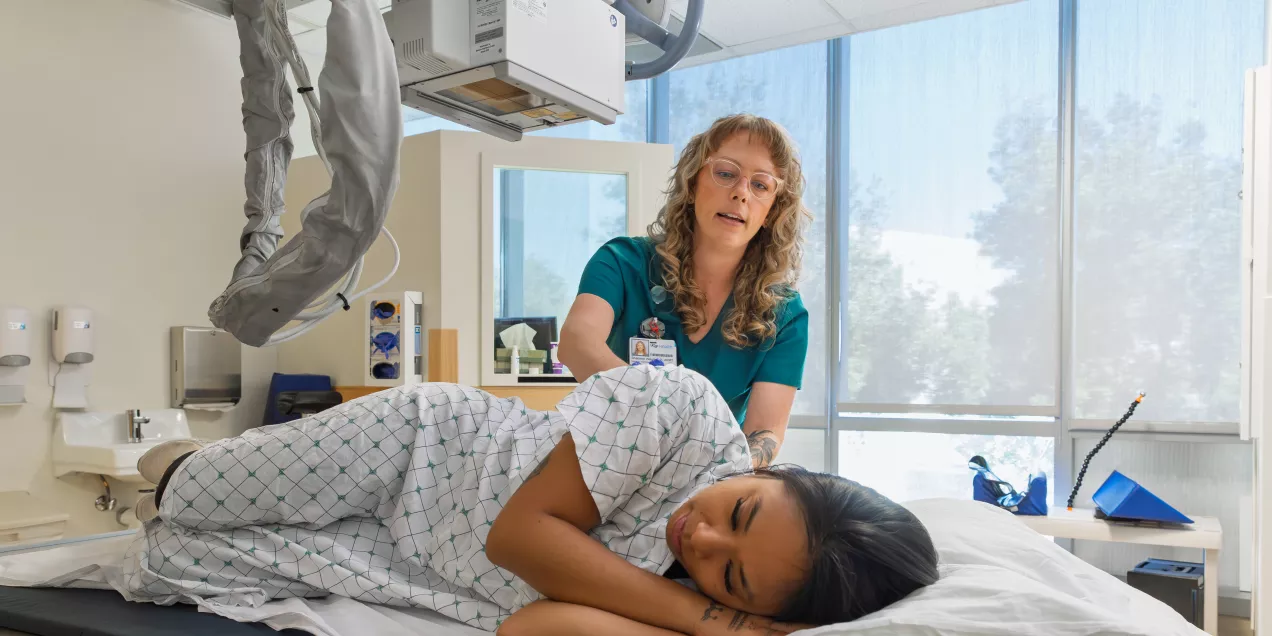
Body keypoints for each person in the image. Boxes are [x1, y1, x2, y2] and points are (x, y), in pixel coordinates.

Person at [124, 366, 938, 635]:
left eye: (733, 580)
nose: (702, 542)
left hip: (418, 564)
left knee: (169, 553)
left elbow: (532, 625)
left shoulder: (701, 599)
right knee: (189, 494)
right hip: (416, 457)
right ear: (774, 471)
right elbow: (521, 538)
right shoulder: (680, 407)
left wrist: (710, 620)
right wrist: (706, 615)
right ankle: (172, 457)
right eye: (740, 513)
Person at [559, 114, 812, 470]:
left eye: (761, 185)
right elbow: (576, 343)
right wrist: (667, 423)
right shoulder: (622, 262)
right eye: (725, 173)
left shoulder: (785, 316)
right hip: (600, 463)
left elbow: (764, 433)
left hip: (705, 477)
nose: (741, 192)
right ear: (692, 184)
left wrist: (708, 468)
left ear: (772, 211)